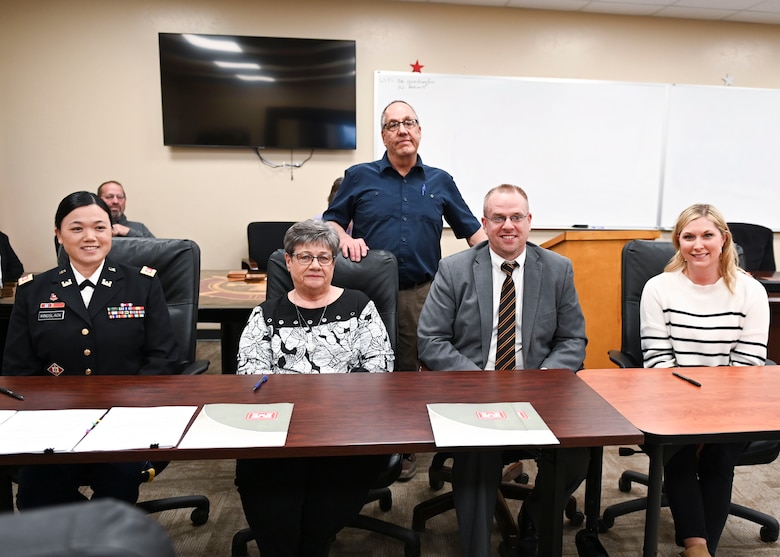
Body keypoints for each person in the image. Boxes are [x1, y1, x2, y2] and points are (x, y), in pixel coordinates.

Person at [417, 184, 589, 557]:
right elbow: (431, 340)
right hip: (474, 390)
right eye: (498, 218)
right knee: (477, 451)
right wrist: (484, 382)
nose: (507, 226)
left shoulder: (557, 269)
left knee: (579, 453)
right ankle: (477, 549)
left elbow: (574, 340)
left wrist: (542, 380)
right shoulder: (455, 268)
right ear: (484, 223)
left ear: (529, 222)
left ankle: (534, 524)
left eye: (516, 217)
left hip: (539, 391)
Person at [2, 191, 178, 510]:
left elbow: (162, 359)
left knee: (118, 487)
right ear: (58, 234)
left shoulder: (142, 285)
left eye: (99, 227)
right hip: (53, 421)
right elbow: (19, 370)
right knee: (33, 497)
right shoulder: (33, 291)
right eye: (76, 228)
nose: (90, 237)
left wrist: (127, 411)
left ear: (111, 231)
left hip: (124, 418)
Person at [234, 219, 394, 557]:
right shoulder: (265, 315)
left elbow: (379, 370)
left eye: (324, 258)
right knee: (265, 490)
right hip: (280, 431)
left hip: (345, 432)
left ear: (334, 263)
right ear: (288, 262)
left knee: (322, 507)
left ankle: (310, 542)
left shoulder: (359, 306)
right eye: (305, 257)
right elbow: (251, 378)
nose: (315, 265)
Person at [640, 203, 769, 557]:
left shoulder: (750, 291)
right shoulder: (658, 289)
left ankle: (698, 549)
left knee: (720, 452)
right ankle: (699, 549)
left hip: (732, 405)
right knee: (677, 449)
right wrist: (692, 417)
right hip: (672, 402)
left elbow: (748, 366)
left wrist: (711, 419)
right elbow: (658, 361)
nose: (699, 245)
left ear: (724, 239)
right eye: (689, 236)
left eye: (707, 235)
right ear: (678, 242)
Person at [323, 100, 487, 372]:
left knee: (412, 368)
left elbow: (474, 233)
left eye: (408, 123)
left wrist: (505, 264)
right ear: (384, 136)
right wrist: (345, 239)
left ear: (419, 131)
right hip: (366, 292)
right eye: (393, 125)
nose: (402, 130)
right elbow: (331, 222)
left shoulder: (440, 181)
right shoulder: (358, 176)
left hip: (420, 295)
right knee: (365, 364)